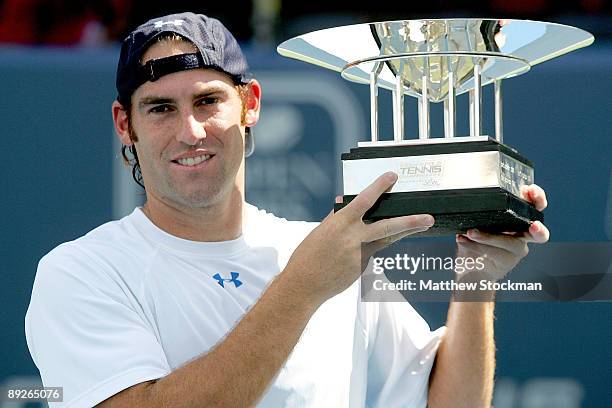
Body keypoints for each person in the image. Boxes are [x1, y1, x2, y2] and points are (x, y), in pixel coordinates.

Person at [25, 12, 550, 408]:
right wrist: (303, 286)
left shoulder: (324, 253)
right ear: (125, 124)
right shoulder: (81, 272)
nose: (190, 131)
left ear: (250, 104)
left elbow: (445, 402)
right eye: (161, 108)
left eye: (208, 102)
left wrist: (477, 278)